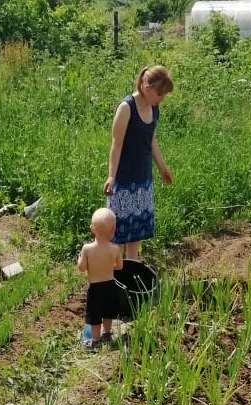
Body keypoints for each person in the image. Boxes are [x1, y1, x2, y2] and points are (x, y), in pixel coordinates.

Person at [103, 65, 174, 260]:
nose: (162, 99)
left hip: (143, 178)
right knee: (119, 231)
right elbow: (116, 145)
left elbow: (151, 140)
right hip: (124, 180)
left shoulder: (154, 108)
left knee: (137, 230)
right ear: (146, 87)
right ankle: (117, 272)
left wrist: (163, 168)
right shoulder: (127, 108)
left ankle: (132, 265)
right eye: (160, 94)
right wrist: (111, 176)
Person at [77, 207, 123, 348]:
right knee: (108, 312)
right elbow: (120, 266)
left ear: (92, 228)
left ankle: (95, 340)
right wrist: (110, 266)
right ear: (113, 230)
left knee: (95, 315)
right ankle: (107, 333)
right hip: (110, 286)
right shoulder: (115, 249)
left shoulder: (87, 249)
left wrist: (79, 258)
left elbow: (82, 268)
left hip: (95, 288)